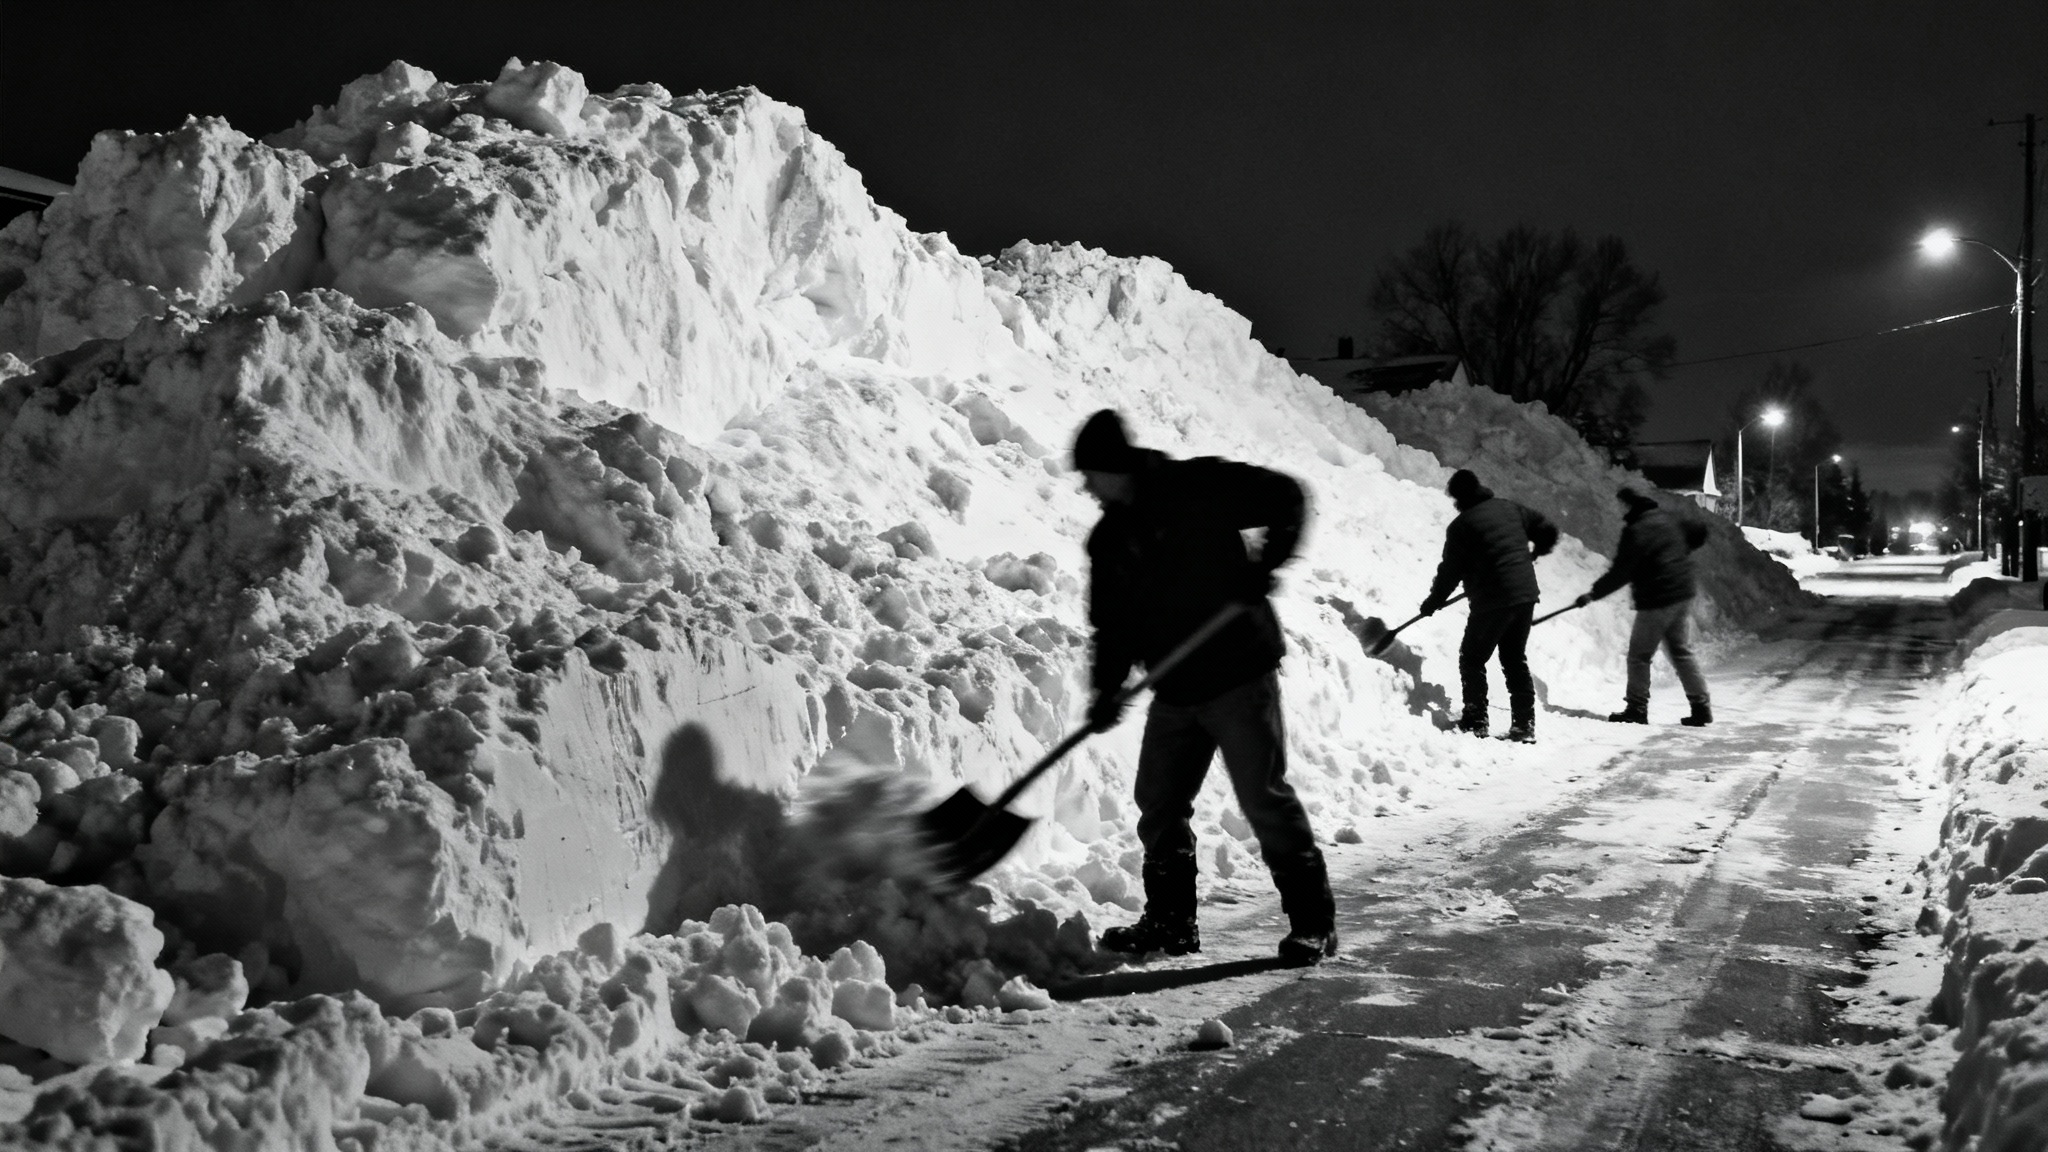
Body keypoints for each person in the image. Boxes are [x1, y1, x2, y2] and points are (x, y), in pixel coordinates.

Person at [1072, 409, 1336, 967]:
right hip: (1176, 687)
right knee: (1159, 803)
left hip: (1239, 672)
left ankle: (1313, 924)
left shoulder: (1195, 486)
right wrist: (1104, 691)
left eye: (1090, 473)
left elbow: (1287, 495)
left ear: (1114, 467)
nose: (1085, 486)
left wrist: (1269, 561)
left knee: (1263, 798)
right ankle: (1171, 924)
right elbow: (1112, 626)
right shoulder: (1110, 538)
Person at [1418, 470, 1559, 743]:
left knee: (1471, 658)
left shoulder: (1461, 527)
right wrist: (1536, 552)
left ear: (1458, 497)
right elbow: (1548, 531)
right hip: (1525, 595)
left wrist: (1432, 602)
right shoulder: (1510, 508)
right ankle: (1524, 725)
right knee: (1514, 659)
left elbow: (1450, 572)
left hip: (1493, 599)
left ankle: (1476, 720)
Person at [1573, 487, 1713, 726]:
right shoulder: (1669, 521)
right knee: (1680, 652)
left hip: (1657, 598)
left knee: (1639, 656)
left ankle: (1636, 708)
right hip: (1682, 594)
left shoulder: (1637, 531)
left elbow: (1621, 571)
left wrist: (1593, 593)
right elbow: (1697, 531)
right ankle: (1701, 707)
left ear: (1630, 507)